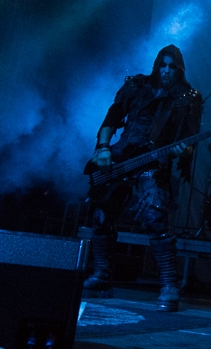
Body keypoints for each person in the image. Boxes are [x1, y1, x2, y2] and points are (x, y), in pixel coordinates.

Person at [83, 44, 203, 311]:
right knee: (100, 215)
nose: (167, 71)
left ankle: (169, 285)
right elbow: (112, 117)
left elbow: (189, 142)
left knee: (154, 217)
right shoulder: (137, 87)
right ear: (157, 66)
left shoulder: (188, 98)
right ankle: (101, 275)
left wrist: (183, 150)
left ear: (179, 69)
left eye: (172, 67)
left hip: (151, 163)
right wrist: (103, 148)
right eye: (163, 65)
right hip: (120, 158)